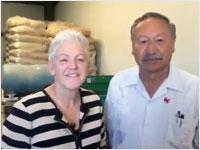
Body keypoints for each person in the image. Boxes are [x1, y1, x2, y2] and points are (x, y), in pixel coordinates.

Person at [105, 12, 199, 149]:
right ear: (132, 48)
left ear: (173, 44)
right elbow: (109, 137)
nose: (151, 50)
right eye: (143, 41)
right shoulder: (118, 84)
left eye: (159, 40)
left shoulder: (194, 88)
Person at [2, 30, 106, 148]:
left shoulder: (94, 103)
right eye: (64, 60)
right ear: (51, 67)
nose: (73, 66)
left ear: (88, 65)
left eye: (80, 59)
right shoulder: (25, 111)